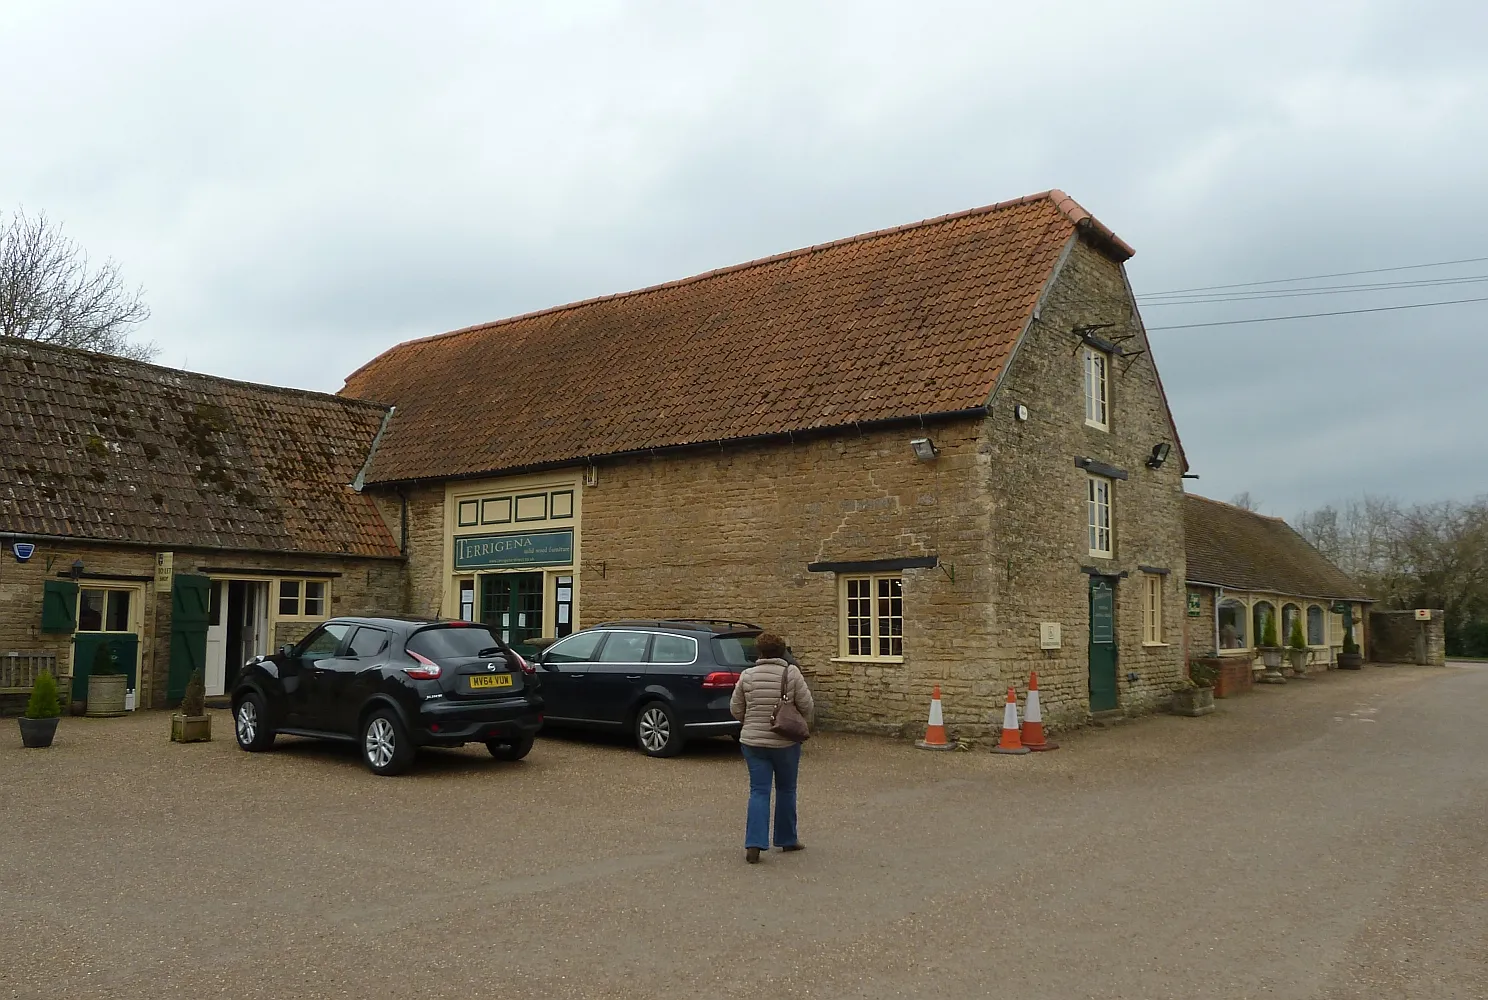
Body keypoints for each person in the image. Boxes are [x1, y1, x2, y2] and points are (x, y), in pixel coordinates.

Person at [729, 632, 814, 864]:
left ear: (759, 652)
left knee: (759, 790)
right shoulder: (791, 673)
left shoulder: (747, 675)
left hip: (753, 741)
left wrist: (751, 722)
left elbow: (735, 708)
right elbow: (807, 706)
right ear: (782, 651)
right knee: (786, 789)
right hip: (785, 741)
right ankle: (787, 839)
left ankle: (754, 843)